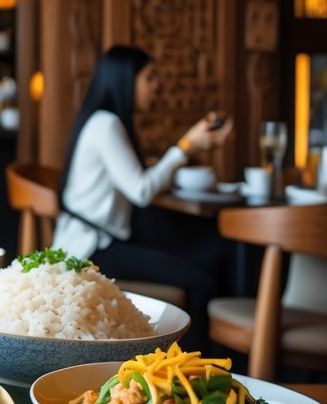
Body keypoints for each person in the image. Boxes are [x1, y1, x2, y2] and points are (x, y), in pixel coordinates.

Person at [52, 45, 234, 345]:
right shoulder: (106, 124)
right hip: (93, 249)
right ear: (126, 79)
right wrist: (186, 146)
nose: (156, 86)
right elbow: (141, 191)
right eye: (149, 77)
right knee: (201, 279)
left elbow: (135, 182)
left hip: (104, 240)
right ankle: (199, 365)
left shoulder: (102, 121)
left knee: (208, 256)